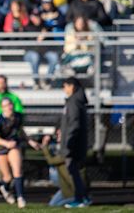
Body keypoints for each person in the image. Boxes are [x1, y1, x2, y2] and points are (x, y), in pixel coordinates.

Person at [0, 97, 39, 209]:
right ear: (2, 108)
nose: (9, 107)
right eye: (6, 105)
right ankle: (4, 188)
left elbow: (20, 130)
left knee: (17, 171)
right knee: (7, 177)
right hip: (0, 149)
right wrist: (6, 143)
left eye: (10, 104)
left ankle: (20, 198)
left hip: (13, 146)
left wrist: (30, 141)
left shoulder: (18, 116)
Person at [61, 77, 90, 208]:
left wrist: (68, 143)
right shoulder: (77, 101)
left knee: (73, 171)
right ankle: (84, 197)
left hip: (73, 143)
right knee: (75, 171)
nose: (64, 89)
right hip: (77, 142)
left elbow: (74, 124)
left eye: (65, 86)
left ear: (71, 86)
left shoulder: (73, 102)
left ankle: (79, 199)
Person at [23, 9, 59, 90]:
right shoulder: (27, 28)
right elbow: (26, 45)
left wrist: (46, 34)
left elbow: (51, 43)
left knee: (54, 57)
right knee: (35, 56)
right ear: (31, 17)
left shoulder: (46, 27)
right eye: (34, 16)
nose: (36, 18)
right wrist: (38, 39)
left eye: (38, 16)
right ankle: (36, 81)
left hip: (44, 52)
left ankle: (47, 81)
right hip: (31, 53)